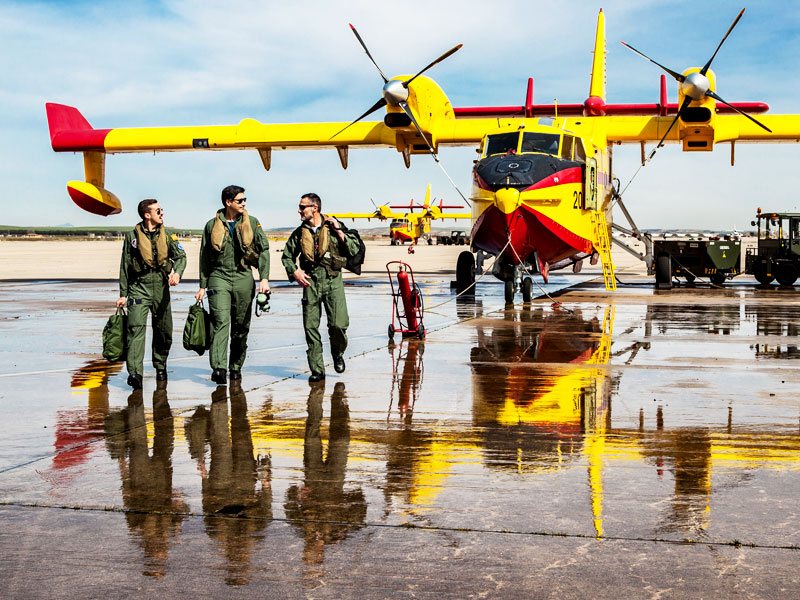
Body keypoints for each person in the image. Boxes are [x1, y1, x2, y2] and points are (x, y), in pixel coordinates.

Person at [195, 185, 270, 385]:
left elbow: (264, 250)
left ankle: (235, 366)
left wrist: (264, 278)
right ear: (228, 202)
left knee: (241, 326)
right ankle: (219, 368)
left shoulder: (253, 223)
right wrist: (202, 285)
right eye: (240, 200)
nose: (244, 203)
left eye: (245, 200)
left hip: (244, 276)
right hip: (218, 277)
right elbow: (204, 257)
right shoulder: (211, 225)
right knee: (220, 322)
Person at [281, 193, 360, 382]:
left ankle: (337, 353)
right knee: (310, 327)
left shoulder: (333, 227)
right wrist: (295, 272)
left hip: (333, 280)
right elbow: (286, 256)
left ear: (314, 208)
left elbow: (354, 250)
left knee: (339, 324)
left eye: (302, 207)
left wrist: (340, 232)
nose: (299, 210)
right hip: (311, 282)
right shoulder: (300, 233)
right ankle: (317, 369)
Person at [116, 199, 186, 390]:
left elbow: (181, 256)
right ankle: (135, 373)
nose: (161, 213)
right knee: (135, 330)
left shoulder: (168, 235)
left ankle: (160, 365)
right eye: (157, 210)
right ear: (147, 215)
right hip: (139, 287)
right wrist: (123, 294)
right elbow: (125, 266)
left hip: (161, 287)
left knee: (164, 330)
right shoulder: (132, 236)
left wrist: (177, 272)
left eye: (161, 209)